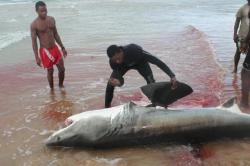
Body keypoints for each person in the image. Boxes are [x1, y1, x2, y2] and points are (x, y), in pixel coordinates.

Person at [105, 44, 178, 108]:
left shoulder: (134, 51)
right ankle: (107, 107)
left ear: (120, 52)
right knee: (110, 84)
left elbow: (157, 61)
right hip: (124, 66)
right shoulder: (114, 62)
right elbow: (120, 79)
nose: (117, 61)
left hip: (140, 62)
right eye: (115, 60)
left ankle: (155, 103)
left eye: (118, 58)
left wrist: (172, 76)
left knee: (151, 82)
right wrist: (119, 83)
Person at [30, 1, 67, 90]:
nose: (44, 13)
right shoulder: (34, 24)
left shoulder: (51, 19)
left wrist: (62, 47)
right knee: (50, 71)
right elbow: (34, 42)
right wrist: (36, 57)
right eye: (42, 11)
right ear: (37, 11)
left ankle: (61, 86)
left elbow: (56, 34)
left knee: (62, 69)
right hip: (45, 51)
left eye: (45, 10)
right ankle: (52, 90)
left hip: (55, 48)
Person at [233, 0, 250, 73]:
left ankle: (246, 69)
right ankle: (235, 68)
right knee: (238, 52)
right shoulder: (242, 8)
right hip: (242, 35)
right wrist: (234, 34)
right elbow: (237, 22)